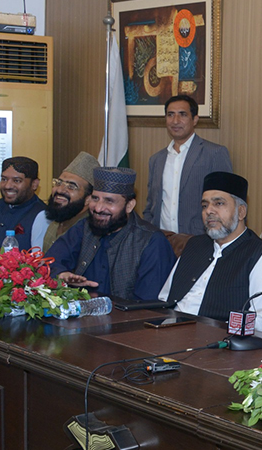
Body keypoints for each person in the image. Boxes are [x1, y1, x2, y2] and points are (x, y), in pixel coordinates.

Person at [158, 172, 262, 333]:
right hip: (167, 332)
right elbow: (165, 298)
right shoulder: (195, 244)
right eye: (204, 205)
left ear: (241, 212)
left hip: (213, 345)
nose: (209, 211)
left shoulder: (261, 256)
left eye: (219, 204)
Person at [48, 167, 176, 301]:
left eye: (109, 201)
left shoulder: (152, 242)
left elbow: (150, 306)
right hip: (83, 315)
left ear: (129, 206)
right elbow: (49, 262)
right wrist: (61, 274)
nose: (98, 208)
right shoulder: (84, 227)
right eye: (95, 198)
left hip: (127, 319)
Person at [143, 95, 232, 236]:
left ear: (195, 119)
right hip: (161, 240)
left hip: (199, 240)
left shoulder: (214, 154)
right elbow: (150, 205)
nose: (175, 121)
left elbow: (226, 204)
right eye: (170, 115)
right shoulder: (156, 160)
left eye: (182, 115)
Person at [42, 151, 100, 252]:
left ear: (88, 199)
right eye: (58, 183)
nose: (59, 190)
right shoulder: (56, 223)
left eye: (71, 187)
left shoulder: (89, 234)